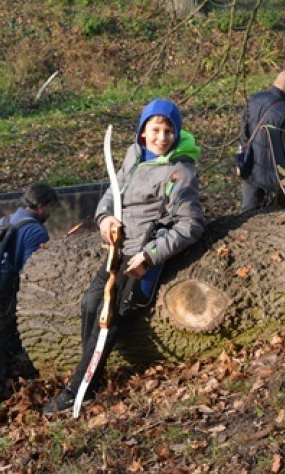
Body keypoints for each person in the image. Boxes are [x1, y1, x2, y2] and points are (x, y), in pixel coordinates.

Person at [43, 99, 205, 416]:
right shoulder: (134, 155)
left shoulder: (179, 172)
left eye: (169, 131)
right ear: (143, 132)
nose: (161, 137)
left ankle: (79, 389)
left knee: (109, 320)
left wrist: (150, 254)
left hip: (141, 257)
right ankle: (89, 369)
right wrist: (104, 218)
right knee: (90, 303)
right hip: (117, 250)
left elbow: (190, 224)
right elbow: (111, 194)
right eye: (155, 130)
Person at [0, 181, 58, 402]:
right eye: (51, 207)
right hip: (12, 294)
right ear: (42, 205)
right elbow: (33, 270)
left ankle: (3, 382)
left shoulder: (4, 221)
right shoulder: (35, 230)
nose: (50, 212)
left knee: (0, 338)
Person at [238, 70, 285, 211]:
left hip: (250, 166)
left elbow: (243, 131)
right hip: (273, 176)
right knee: (277, 214)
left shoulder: (253, 99)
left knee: (247, 214)